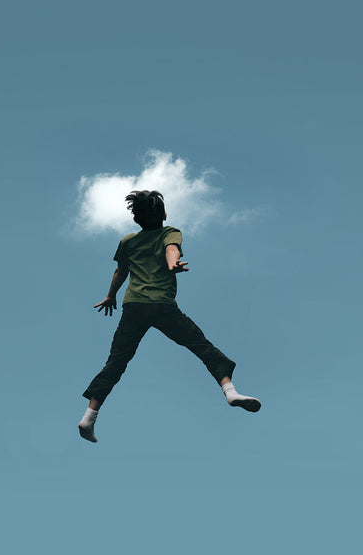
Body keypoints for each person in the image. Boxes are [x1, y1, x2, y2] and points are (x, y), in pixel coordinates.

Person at [78, 190, 261, 443]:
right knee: (201, 346)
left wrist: (111, 296)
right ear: (164, 214)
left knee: (116, 362)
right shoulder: (169, 232)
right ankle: (230, 392)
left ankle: (89, 417)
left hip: (134, 307)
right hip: (162, 306)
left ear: (136, 219)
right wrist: (172, 264)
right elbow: (171, 249)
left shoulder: (128, 241)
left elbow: (120, 271)